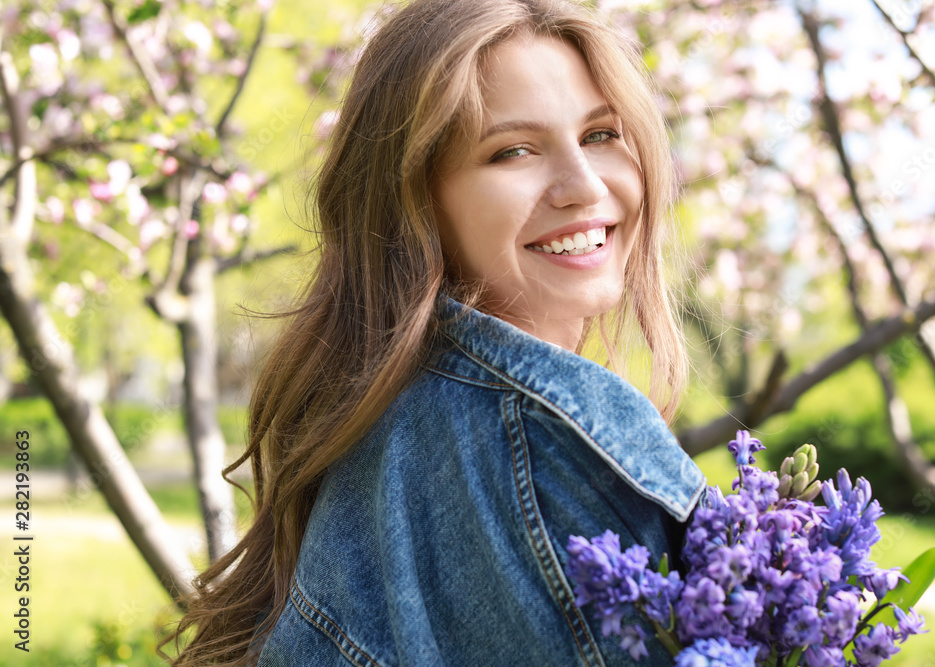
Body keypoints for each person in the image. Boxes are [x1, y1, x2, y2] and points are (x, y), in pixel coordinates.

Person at [163, 0, 706, 664]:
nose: (583, 185)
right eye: (512, 151)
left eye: (601, 134)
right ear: (415, 202)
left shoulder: (383, 417)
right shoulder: (542, 441)